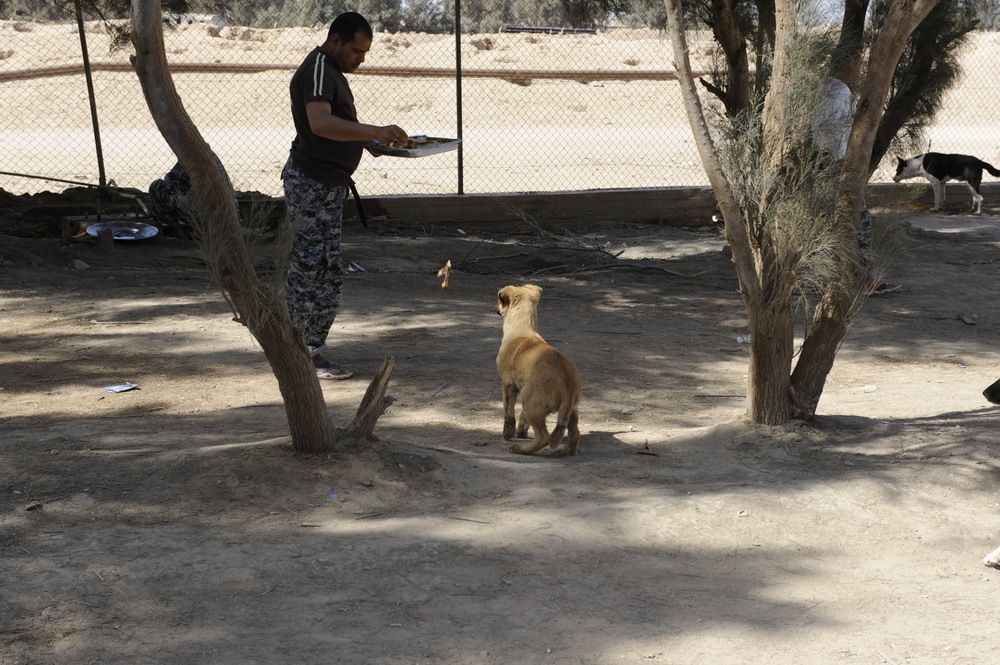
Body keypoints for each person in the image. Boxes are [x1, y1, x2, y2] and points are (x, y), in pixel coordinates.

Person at [282, 12, 409, 380]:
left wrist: (369, 140)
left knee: (329, 271)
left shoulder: (330, 69)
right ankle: (299, 353)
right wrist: (375, 130)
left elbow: (332, 126)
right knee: (309, 269)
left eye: (365, 52)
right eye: (356, 50)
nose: (361, 59)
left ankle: (311, 347)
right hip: (312, 185)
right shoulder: (320, 68)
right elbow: (320, 123)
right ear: (335, 41)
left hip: (328, 187)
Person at [811, 56, 901, 296]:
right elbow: (838, 132)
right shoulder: (840, 91)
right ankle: (864, 279)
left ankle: (818, 277)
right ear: (853, 65)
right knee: (859, 219)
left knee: (823, 217)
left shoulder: (818, 86)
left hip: (816, 162)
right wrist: (845, 164)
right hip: (836, 163)